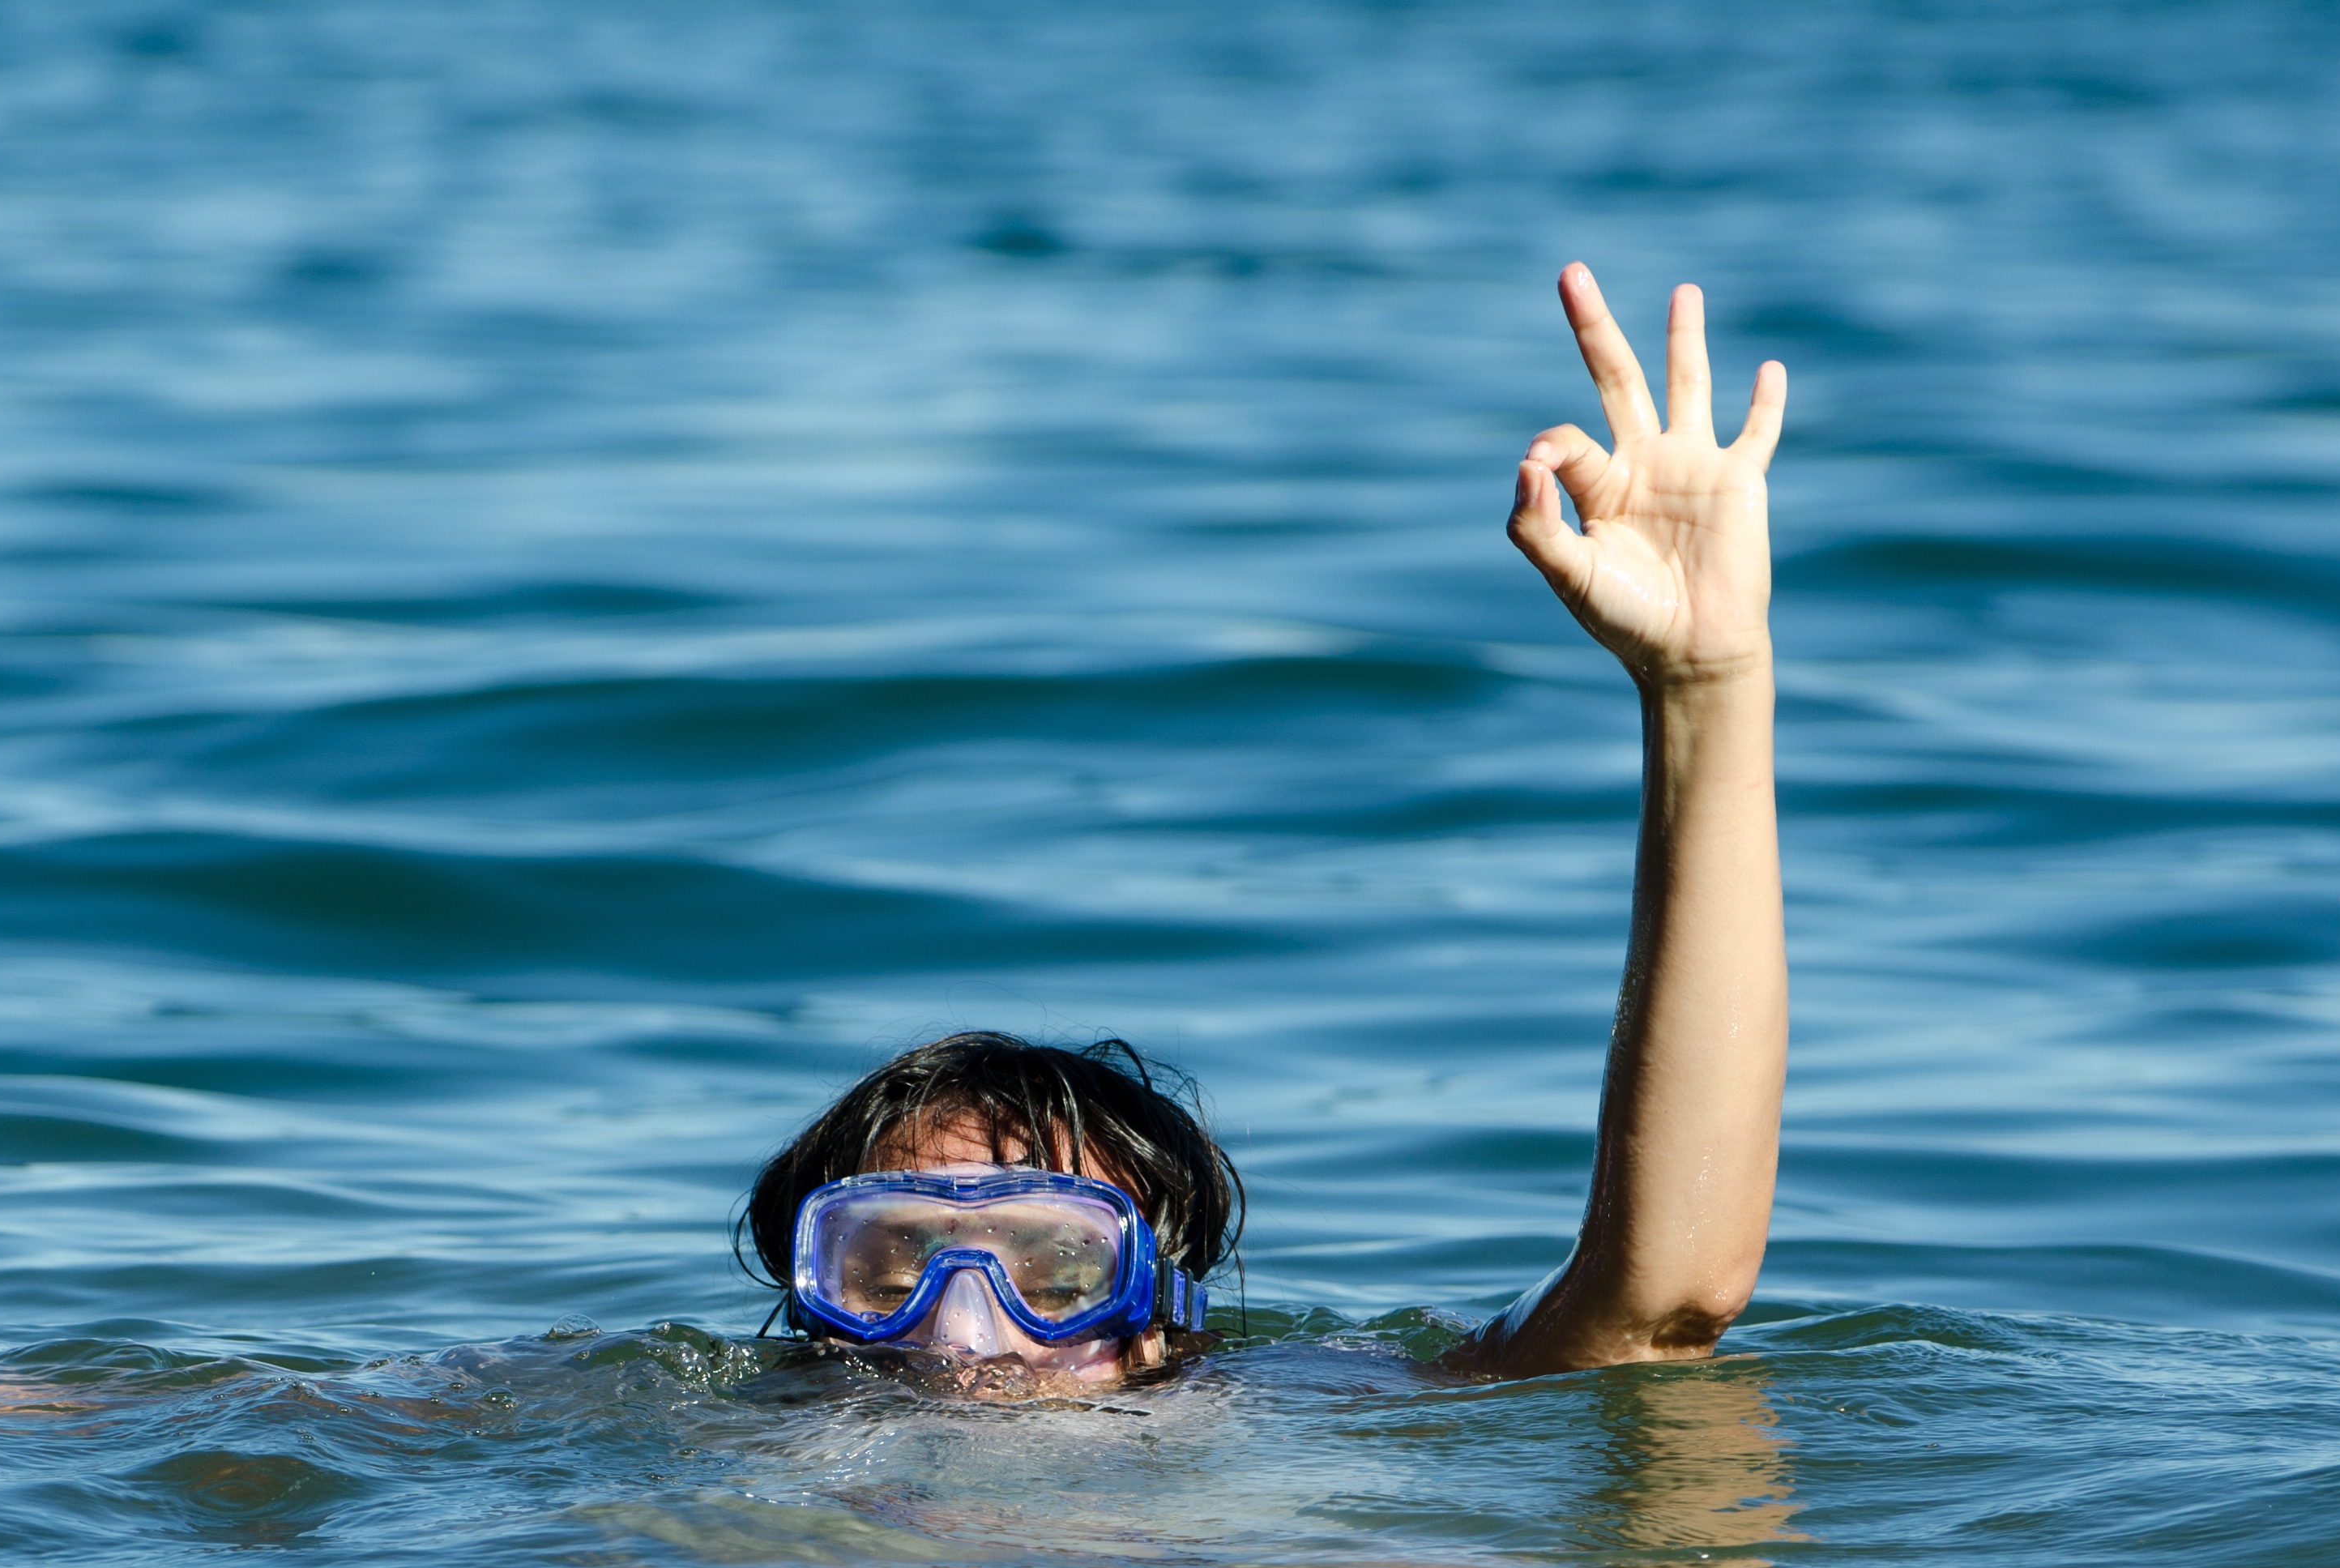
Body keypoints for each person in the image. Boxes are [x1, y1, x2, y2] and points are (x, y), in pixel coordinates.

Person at [747, 263, 1788, 1395]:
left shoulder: (1274, 1431)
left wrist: (1705, 691)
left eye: (1057, 1274)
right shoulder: (703, 1469)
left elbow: (1654, 1308)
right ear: (814, 1310)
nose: (962, 1337)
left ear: (1161, 1324)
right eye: (884, 1270)